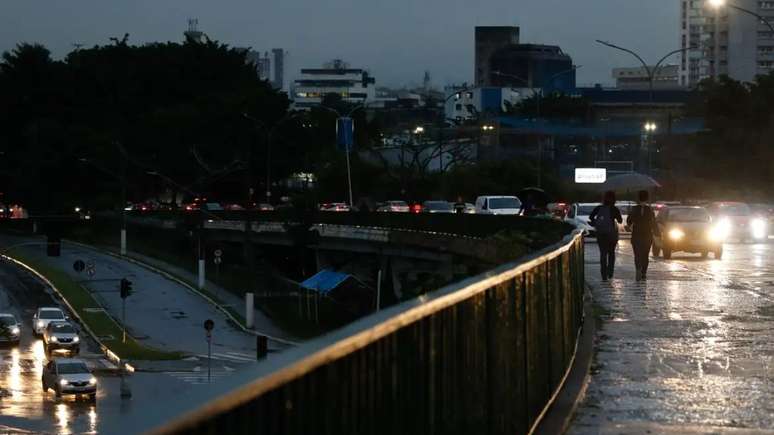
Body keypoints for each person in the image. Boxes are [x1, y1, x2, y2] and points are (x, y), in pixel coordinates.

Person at [589, 191, 623, 281]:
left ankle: (603, 275)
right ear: (614, 199)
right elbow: (620, 221)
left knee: (603, 253)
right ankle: (610, 272)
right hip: (612, 234)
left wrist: (597, 221)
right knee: (611, 253)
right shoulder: (614, 209)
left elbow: (591, 217)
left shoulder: (599, 208)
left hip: (600, 234)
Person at [627, 190, 661, 281]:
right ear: (647, 198)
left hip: (636, 235)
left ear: (638, 198)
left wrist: (630, 222)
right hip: (647, 235)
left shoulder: (634, 209)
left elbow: (629, 222)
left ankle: (638, 269)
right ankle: (644, 273)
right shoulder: (650, 210)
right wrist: (658, 233)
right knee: (645, 255)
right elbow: (654, 223)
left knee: (637, 254)